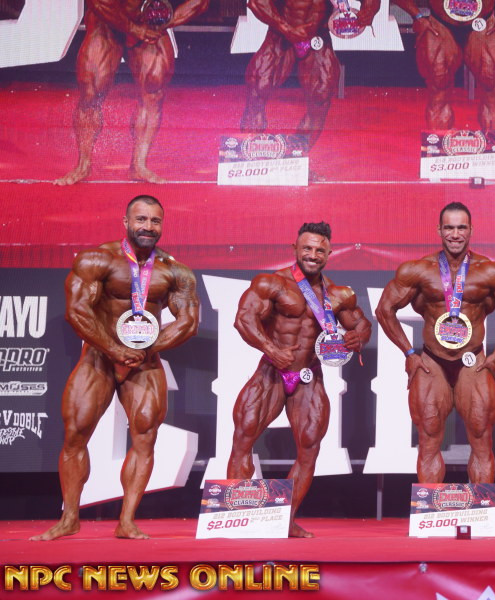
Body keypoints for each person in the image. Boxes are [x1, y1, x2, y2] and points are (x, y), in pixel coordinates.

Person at [32, 195, 199, 540]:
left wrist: (147, 349)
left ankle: (127, 521)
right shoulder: (98, 259)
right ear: (126, 222)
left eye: (155, 221)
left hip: (144, 361)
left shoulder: (174, 270)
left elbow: (188, 322)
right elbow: (77, 311)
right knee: (76, 433)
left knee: (145, 437)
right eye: (141, 219)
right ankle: (69, 518)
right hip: (99, 357)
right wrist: (114, 349)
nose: (147, 227)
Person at [227, 222, 371, 537]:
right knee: (243, 437)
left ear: (329, 254)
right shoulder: (272, 283)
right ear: (295, 248)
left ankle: (285, 519)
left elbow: (362, 324)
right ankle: (236, 516)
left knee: (309, 448)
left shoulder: (338, 294)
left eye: (320, 250)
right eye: (307, 248)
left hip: (309, 375)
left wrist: (357, 337)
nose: (313, 255)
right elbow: (243, 319)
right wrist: (271, 349)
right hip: (271, 371)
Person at [375, 202, 495, 483]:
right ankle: (432, 508)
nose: (455, 234)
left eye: (461, 228)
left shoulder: (491, 271)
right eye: (449, 228)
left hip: (473, 360)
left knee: (481, 438)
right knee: (428, 438)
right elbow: (384, 309)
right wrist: (409, 353)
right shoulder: (418, 270)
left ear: (471, 230)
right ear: (439, 230)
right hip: (432, 361)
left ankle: (481, 508)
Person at [55, 0, 210, 185]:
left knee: (154, 88)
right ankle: (83, 165)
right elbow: (99, 3)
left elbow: (201, 2)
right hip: (106, 22)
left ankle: (139, 165)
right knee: (91, 90)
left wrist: (165, 22)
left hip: (147, 22)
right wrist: (135, 29)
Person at [240, 0, 379, 152]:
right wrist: (286, 29)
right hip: (281, 34)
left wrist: (369, 10)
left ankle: (298, 153)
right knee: (258, 87)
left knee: (321, 93)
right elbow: (257, 2)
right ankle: (249, 151)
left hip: (317, 36)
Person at [393, 0, 495, 131]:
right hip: (440, 24)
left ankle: (494, 145)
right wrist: (416, 16)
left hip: (483, 24)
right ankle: (439, 146)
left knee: (490, 82)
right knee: (438, 83)